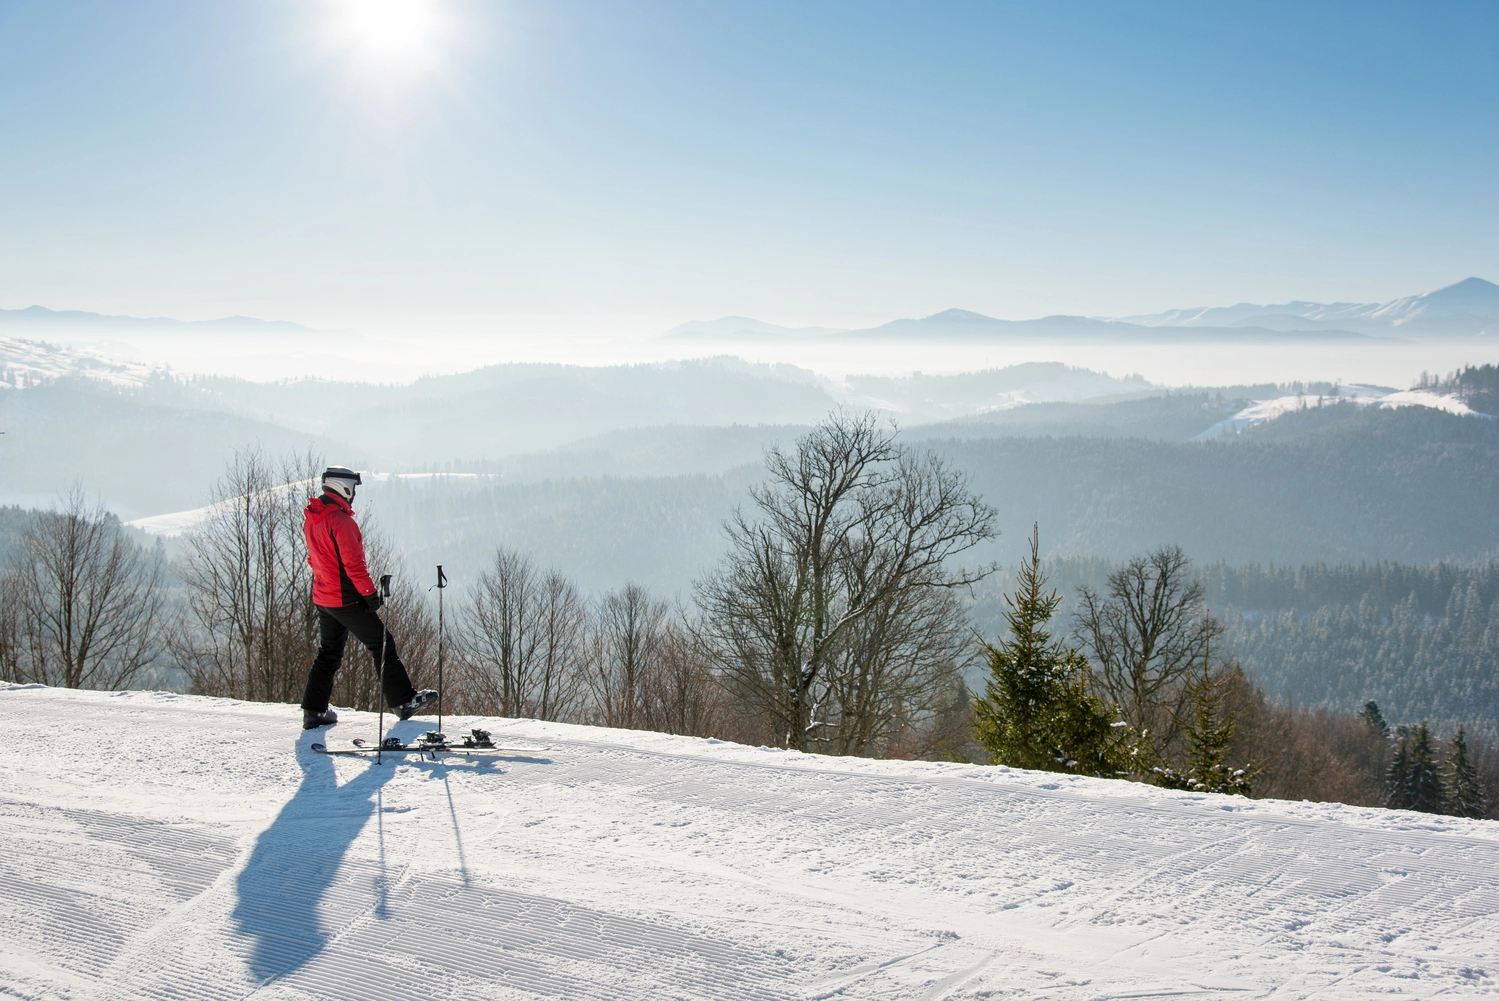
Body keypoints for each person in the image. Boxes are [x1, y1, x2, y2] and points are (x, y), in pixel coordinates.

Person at [300, 466, 436, 730]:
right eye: (353, 489)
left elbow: (313, 559)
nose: (354, 495)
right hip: (346, 598)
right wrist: (369, 594)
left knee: (328, 653)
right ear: (344, 487)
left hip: (323, 596)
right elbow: (354, 565)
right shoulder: (341, 521)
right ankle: (403, 701)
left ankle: (313, 711)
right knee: (382, 644)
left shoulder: (313, 518)